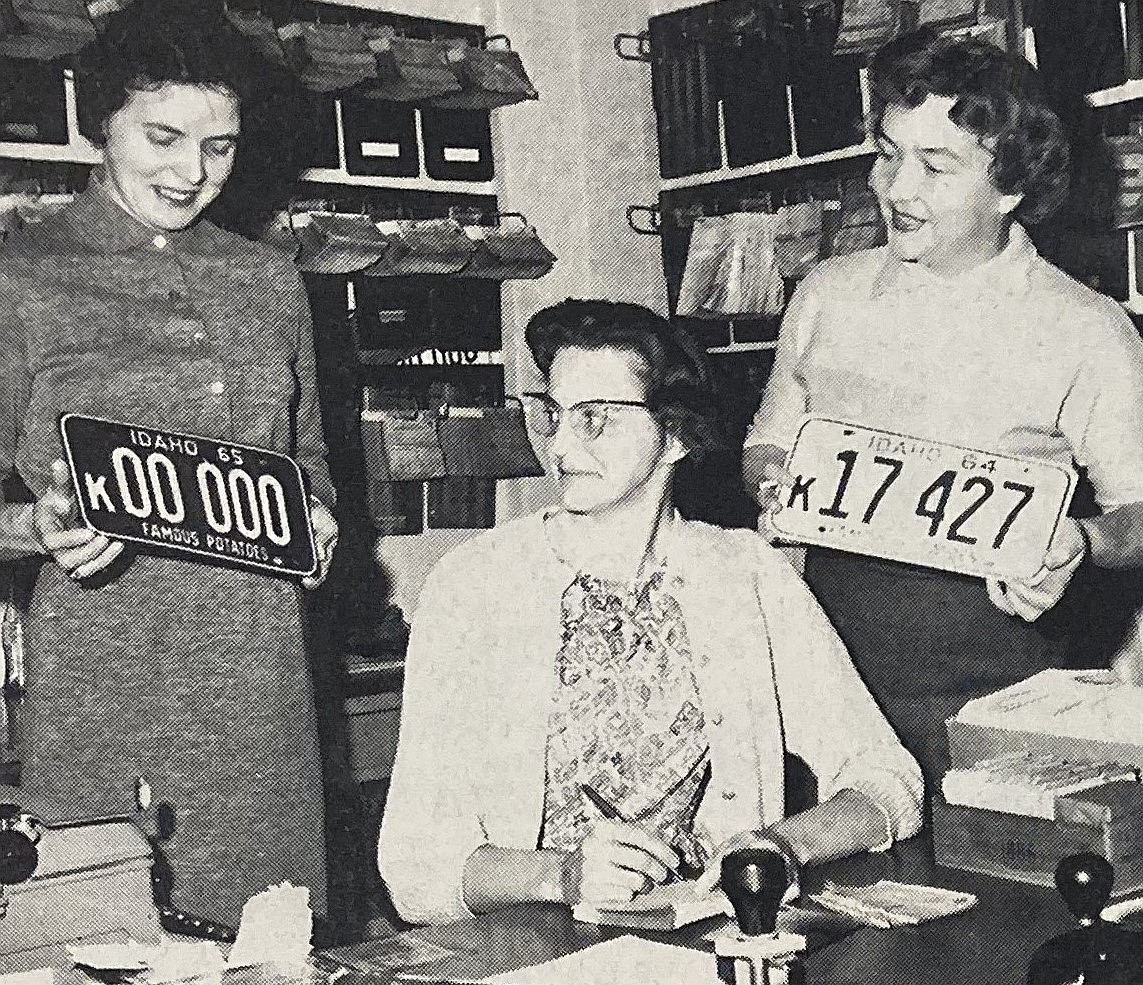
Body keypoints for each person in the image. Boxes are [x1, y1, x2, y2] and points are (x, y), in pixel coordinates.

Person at [377, 300, 922, 926]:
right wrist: (563, 874)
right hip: (534, 947)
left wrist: (780, 847)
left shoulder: (746, 576)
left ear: (677, 436)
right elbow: (415, 865)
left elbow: (887, 779)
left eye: (596, 420)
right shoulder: (474, 587)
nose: (559, 445)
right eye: (553, 416)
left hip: (714, 938)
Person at [0, 6, 338, 926]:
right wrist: (34, 525)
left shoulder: (270, 280)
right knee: (109, 937)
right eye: (163, 137)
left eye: (220, 147)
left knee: (275, 944)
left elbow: (303, 457)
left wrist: (316, 516)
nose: (192, 173)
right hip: (109, 679)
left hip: (263, 685)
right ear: (96, 119)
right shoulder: (21, 277)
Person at [743, 28, 1143, 784]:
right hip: (818, 695)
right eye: (888, 152)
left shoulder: (1085, 327)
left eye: (935, 165)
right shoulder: (824, 294)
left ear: (1011, 189)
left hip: (994, 703)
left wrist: (1078, 542)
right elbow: (766, 443)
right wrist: (771, 482)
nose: (895, 189)